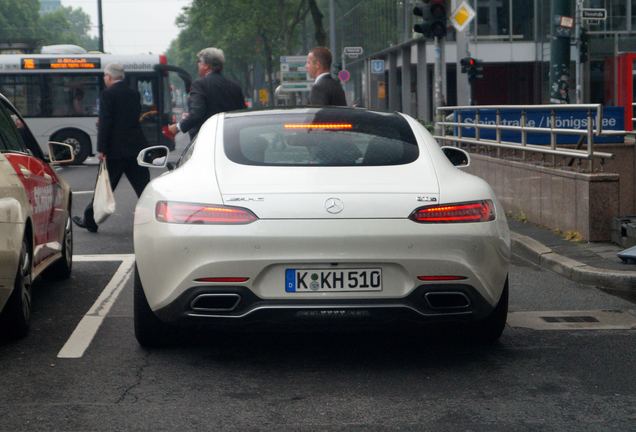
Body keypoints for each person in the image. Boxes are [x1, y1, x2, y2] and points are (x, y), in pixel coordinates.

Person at [73, 63, 150, 233]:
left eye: (104, 76)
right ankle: (154, 219)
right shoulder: (134, 93)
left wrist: (102, 149)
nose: (104, 79)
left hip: (115, 150)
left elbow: (106, 122)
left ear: (109, 77)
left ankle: (90, 220)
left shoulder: (108, 94)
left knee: (105, 186)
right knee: (144, 187)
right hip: (135, 147)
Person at [168, 47, 245, 139]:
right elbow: (241, 113)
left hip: (207, 140)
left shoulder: (200, 85)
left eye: (199, 61)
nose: (198, 64)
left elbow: (197, 113)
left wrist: (177, 127)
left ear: (206, 65)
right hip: (231, 139)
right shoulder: (235, 86)